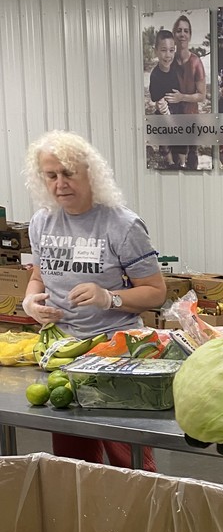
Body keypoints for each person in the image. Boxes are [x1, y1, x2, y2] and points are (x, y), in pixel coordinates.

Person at [22, 130, 166, 471]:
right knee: (72, 459)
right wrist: (30, 302)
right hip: (63, 354)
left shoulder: (123, 225)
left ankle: (142, 520)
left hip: (118, 354)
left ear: (90, 173)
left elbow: (156, 291)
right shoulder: (41, 223)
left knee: (127, 459)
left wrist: (109, 298)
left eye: (69, 173)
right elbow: (38, 277)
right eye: (51, 175)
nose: (60, 184)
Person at [167, 13, 206, 170]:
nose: (182, 34)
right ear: (174, 35)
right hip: (171, 122)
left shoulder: (196, 62)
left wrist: (182, 97)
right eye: (179, 30)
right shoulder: (167, 61)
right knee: (173, 166)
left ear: (190, 35)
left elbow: (202, 95)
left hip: (190, 123)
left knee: (191, 166)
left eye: (186, 31)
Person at [148, 29, 181, 169]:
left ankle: (181, 161)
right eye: (163, 50)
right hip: (164, 113)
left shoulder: (176, 69)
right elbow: (160, 103)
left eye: (171, 50)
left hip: (177, 109)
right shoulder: (155, 76)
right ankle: (170, 162)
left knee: (179, 140)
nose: (168, 55)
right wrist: (170, 119)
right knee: (166, 139)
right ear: (156, 51)